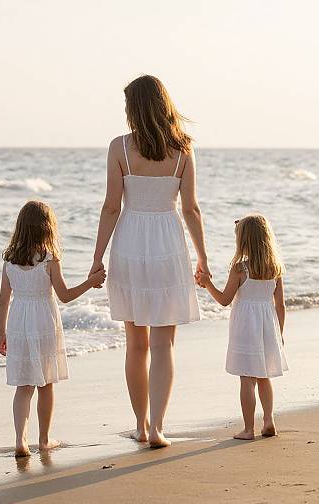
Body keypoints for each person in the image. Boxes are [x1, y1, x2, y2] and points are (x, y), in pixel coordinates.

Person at [90, 75, 209, 447]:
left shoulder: (120, 148)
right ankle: (158, 427)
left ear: (135, 108)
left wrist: (96, 259)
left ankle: (141, 427)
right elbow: (191, 209)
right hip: (168, 243)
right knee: (163, 344)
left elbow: (111, 207)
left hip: (129, 242)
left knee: (135, 344)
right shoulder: (184, 149)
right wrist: (203, 257)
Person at [0, 200, 106, 456]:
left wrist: (2, 332)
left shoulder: (9, 262)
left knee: (23, 386)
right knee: (46, 384)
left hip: (18, 323)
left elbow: (3, 301)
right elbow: (65, 296)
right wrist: (91, 282)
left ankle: (20, 441)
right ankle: (44, 440)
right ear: (47, 229)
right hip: (44, 321)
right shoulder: (49, 260)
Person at [196, 214, 288, 440]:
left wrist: (207, 284)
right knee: (264, 376)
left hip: (246, 326)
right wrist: (280, 334)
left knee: (247, 379)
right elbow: (281, 305)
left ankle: (248, 429)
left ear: (243, 241)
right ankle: (268, 420)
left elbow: (224, 300)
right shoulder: (274, 268)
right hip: (268, 326)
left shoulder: (240, 268)